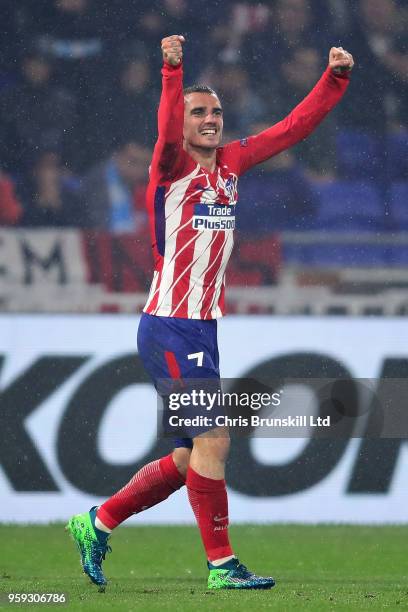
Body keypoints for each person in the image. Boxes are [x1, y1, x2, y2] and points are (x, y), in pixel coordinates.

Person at [67, 34, 354, 590]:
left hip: (201, 328)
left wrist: (335, 79)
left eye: (217, 112)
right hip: (169, 324)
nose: (210, 119)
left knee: (187, 457)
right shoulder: (170, 165)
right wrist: (171, 74)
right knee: (215, 439)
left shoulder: (232, 163)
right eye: (200, 112)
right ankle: (222, 565)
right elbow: (167, 118)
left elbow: (293, 127)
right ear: (180, 124)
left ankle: (96, 522)